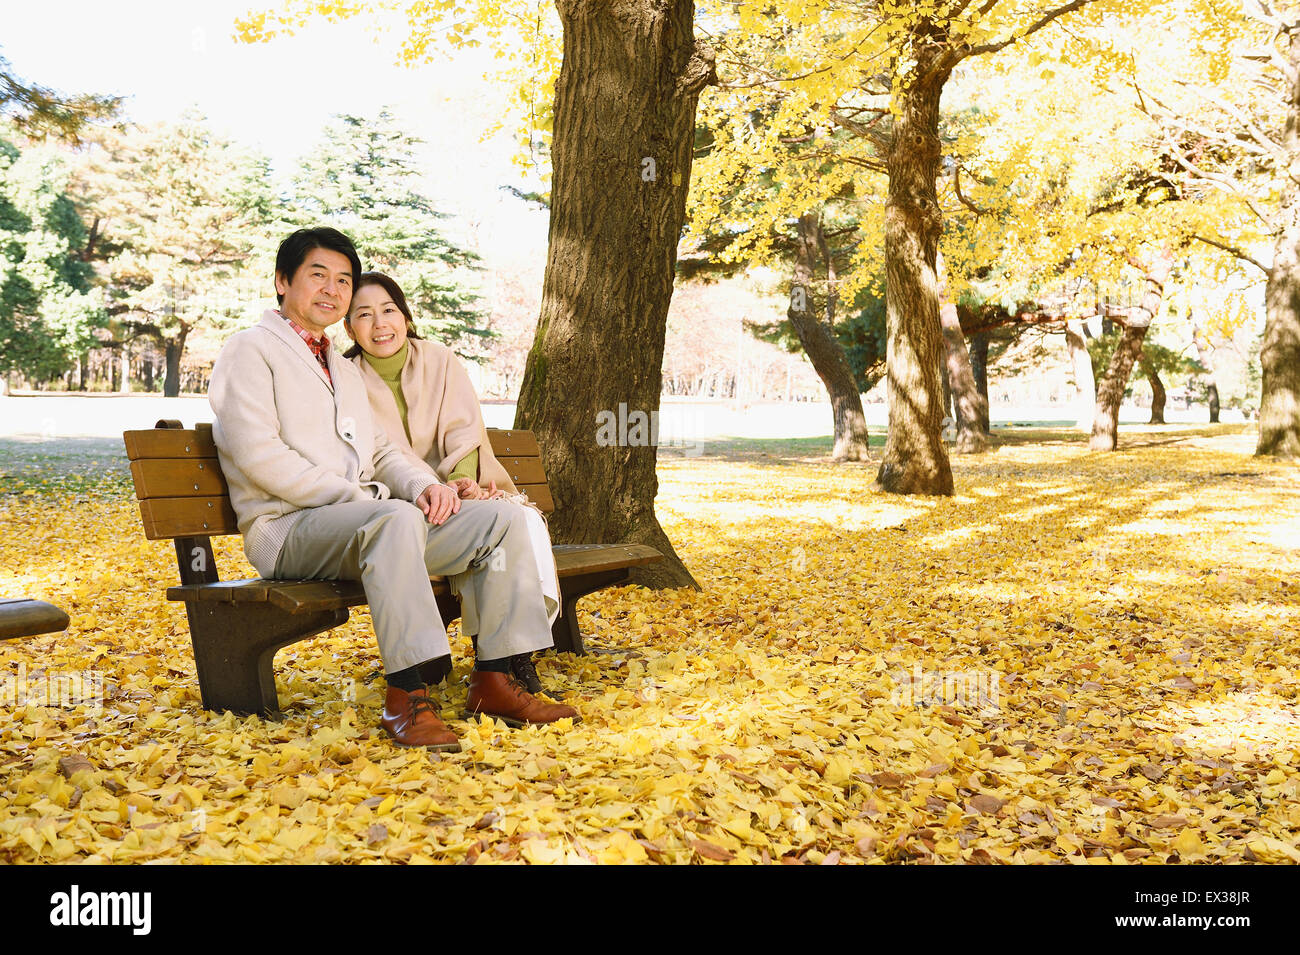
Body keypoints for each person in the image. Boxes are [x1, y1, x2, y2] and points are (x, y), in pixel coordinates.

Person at [208, 227, 578, 750]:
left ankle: (495, 678)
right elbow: (259, 456)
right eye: (317, 276)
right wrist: (365, 500)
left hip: (368, 526)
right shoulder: (249, 350)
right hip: (288, 530)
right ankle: (408, 694)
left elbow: (383, 452)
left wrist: (427, 486)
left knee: (503, 520)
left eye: (343, 280)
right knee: (394, 517)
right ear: (281, 281)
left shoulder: (340, 365)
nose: (332, 290)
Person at [342, 271, 560, 696]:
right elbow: (374, 455)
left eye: (388, 310)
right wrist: (424, 489)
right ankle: (495, 656)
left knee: (519, 522)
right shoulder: (345, 377)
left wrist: (462, 481)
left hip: (461, 489)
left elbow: (464, 429)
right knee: (483, 531)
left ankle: (512, 657)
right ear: (349, 327)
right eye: (363, 315)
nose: (379, 324)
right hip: (400, 502)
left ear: (404, 315)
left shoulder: (439, 359)